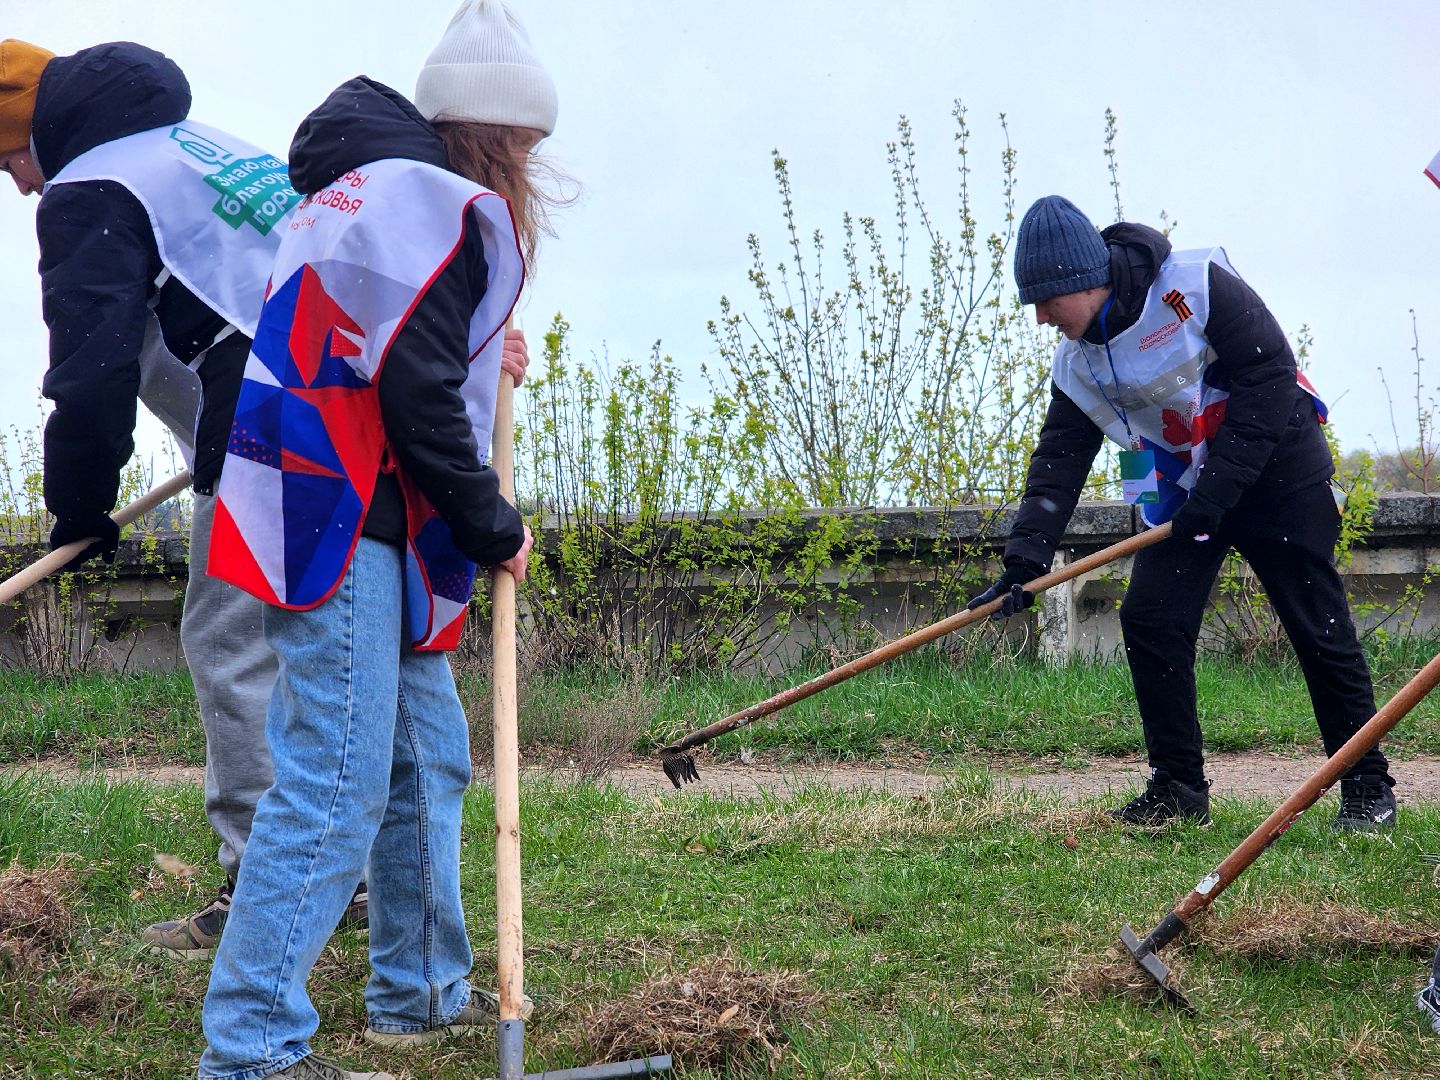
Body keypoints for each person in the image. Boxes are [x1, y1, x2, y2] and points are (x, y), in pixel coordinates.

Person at [197, 0, 556, 1074]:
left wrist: (484, 351)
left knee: (424, 754)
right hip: (340, 516)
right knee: (337, 779)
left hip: (363, 514)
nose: (532, 169)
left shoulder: (363, 192)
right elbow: (410, 390)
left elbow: (397, 345)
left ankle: (420, 986)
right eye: (528, 148)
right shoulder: (426, 204)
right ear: (495, 136)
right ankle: (253, 1045)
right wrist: (495, 525)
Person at [0, 37, 375, 955]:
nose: (17, 186)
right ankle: (365, 887)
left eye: (7, 156)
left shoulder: (97, 183)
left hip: (277, 413)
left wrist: (80, 509)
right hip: (362, 391)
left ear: (40, 130)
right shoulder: (196, 148)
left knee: (232, 638)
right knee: (331, 647)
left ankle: (271, 887)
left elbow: (90, 371)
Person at [969, 195, 1397, 830]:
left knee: (1316, 624)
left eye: (1045, 301)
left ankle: (1366, 788)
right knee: (1151, 620)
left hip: (1279, 470)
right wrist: (1024, 560)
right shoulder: (1077, 360)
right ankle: (1178, 791)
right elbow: (1060, 457)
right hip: (1186, 490)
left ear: (1084, 282)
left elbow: (1271, 375)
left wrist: (1219, 494)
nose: (1039, 318)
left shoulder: (1196, 285)